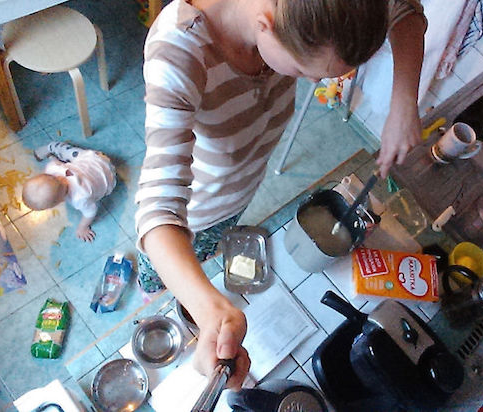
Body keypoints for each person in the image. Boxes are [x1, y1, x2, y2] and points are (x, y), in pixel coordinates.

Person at [136, 0, 426, 390]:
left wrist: (403, 104)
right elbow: (158, 212)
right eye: (303, 71)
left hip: (238, 193)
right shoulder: (180, 50)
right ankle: (149, 289)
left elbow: (406, 10)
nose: (311, 82)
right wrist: (209, 309)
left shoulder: (306, 12)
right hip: (195, 213)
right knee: (161, 272)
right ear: (265, 26)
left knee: (213, 245)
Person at [22, 142, 116, 242]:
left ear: (60, 201)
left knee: (93, 192)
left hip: (110, 177)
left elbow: (91, 212)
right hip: (94, 157)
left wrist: (82, 228)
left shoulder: (79, 198)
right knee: (66, 154)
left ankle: (51, 148)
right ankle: (51, 147)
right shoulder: (52, 167)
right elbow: (56, 165)